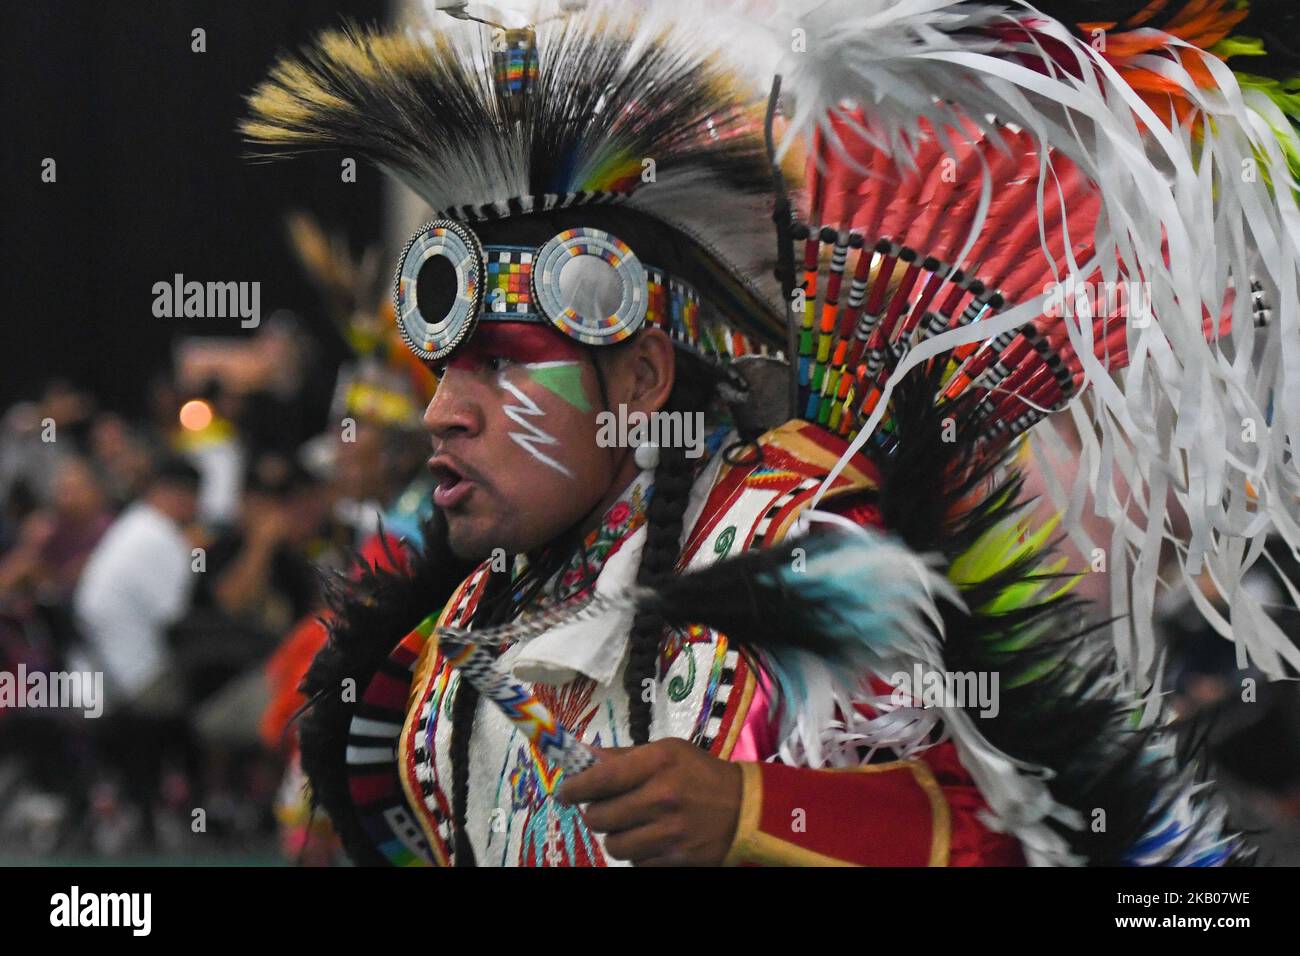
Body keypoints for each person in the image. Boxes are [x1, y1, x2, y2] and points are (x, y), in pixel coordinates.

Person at [241, 0, 1300, 866]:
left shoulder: (806, 532)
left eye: (499, 366)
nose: (442, 410)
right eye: (441, 371)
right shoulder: (448, 628)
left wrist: (758, 808)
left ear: (643, 377)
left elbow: (1030, 813)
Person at [72, 457, 200, 712]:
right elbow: (178, 621)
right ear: (182, 496)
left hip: (96, 675)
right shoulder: (161, 536)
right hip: (135, 683)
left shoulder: (134, 523)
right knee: (219, 689)